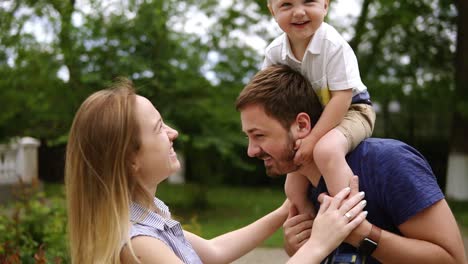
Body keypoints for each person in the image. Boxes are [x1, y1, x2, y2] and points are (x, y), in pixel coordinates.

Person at [64, 77, 368, 264]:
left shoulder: (148, 215)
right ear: (131, 160)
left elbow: (214, 251)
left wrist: (286, 209)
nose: (173, 133)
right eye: (158, 128)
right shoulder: (139, 245)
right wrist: (319, 244)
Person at [236, 64, 467, 263]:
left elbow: (453, 259)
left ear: (302, 125)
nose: (251, 151)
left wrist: (362, 234)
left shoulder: (388, 163)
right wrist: (297, 248)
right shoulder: (301, 188)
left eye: (259, 136)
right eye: (249, 137)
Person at [264, 0, 376, 216]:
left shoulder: (333, 45)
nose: (298, 12)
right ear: (272, 10)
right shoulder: (275, 53)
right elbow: (272, 100)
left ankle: (351, 224)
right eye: (286, 5)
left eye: (309, 2)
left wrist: (313, 139)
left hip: (353, 110)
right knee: (293, 189)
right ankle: (311, 230)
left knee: (326, 150)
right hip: (311, 121)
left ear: (325, 5)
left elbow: (341, 99)